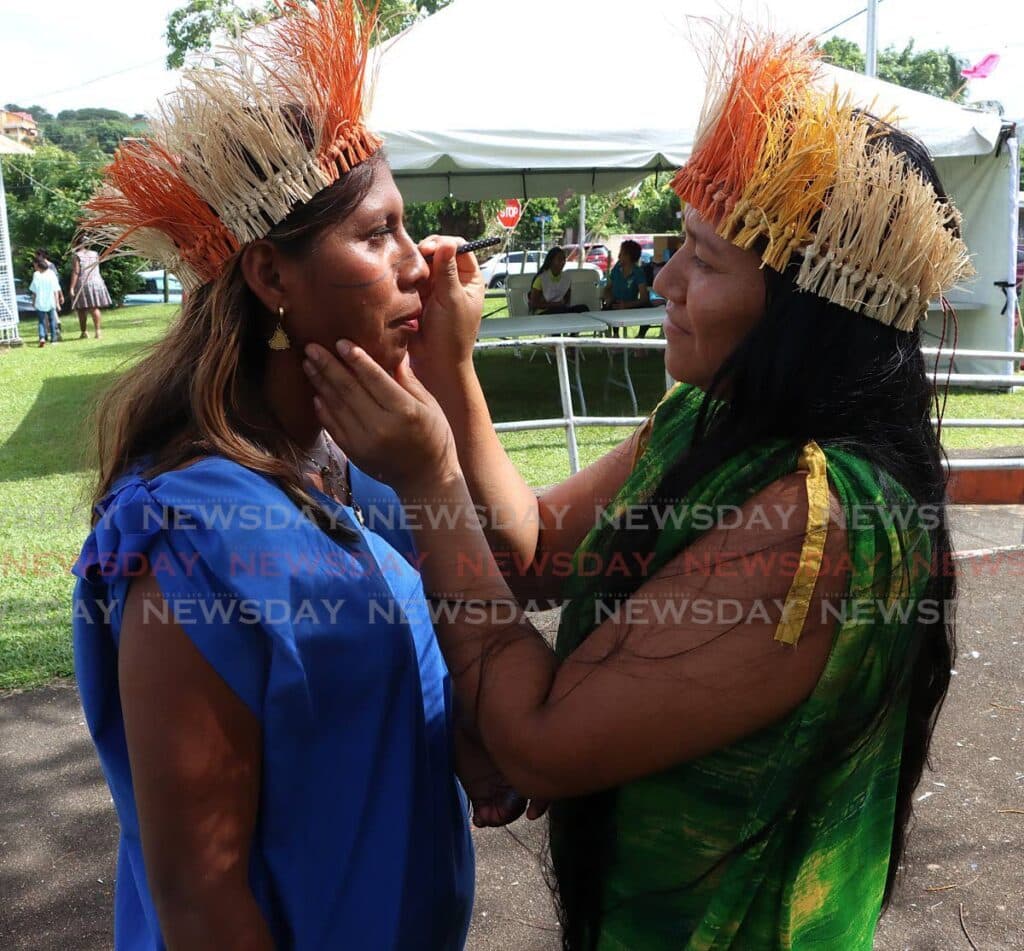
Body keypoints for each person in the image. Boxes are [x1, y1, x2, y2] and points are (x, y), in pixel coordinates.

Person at [302, 27, 968, 950]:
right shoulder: (713, 418)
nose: (666, 279)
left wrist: (430, 477)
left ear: (804, 313)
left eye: (704, 260)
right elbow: (536, 549)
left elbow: (537, 738)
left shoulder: (821, 522)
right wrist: (453, 372)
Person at [71, 2, 524, 947]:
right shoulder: (188, 537)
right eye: (379, 234)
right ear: (272, 278)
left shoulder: (369, 472)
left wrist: (447, 384)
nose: (420, 265)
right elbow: (201, 901)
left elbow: (492, 590)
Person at [529, 246, 590, 314]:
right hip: (544, 312)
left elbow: (567, 300)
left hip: (560, 309)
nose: (563, 262)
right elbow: (533, 304)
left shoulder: (566, 278)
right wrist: (553, 305)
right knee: (559, 310)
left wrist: (562, 304)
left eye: (564, 259)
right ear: (551, 261)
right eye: (560, 259)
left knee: (583, 308)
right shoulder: (541, 279)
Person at [70, 241, 112, 339]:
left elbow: (76, 272)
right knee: (94, 308)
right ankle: (98, 331)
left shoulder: (77, 255)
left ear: (76, 244)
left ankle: (84, 332)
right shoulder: (94, 254)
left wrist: (72, 287)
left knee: (81, 309)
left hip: (83, 283)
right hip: (97, 282)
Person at [29, 255, 62, 347]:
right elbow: (56, 289)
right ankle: (54, 339)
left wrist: (33, 301)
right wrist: (57, 303)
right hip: (50, 301)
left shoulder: (36, 275)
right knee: (52, 320)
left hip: (40, 301)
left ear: (38, 266)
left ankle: (42, 337)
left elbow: (34, 291)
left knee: (41, 321)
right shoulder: (51, 274)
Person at [35, 247, 64, 339]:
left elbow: (55, 282)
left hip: (48, 292)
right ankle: (50, 331)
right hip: (50, 291)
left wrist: (60, 294)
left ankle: (52, 331)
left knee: (48, 313)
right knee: (50, 312)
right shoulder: (48, 266)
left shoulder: (45, 266)